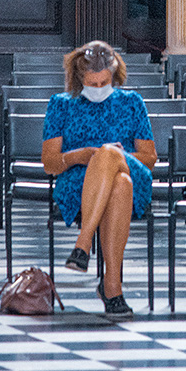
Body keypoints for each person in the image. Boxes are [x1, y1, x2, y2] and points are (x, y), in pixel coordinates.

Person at [40, 41, 156, 321]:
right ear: (80, 80)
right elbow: (50, 163)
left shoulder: (131, 102)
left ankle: (83, 242)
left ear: (114, 76)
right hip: (79, 182)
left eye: (104, 82)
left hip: (130, 167)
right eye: (92, 83)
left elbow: (149, 157)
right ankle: (111, 287)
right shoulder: (61, 105)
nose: (98, 88)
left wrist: (115, 155)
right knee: (120, 185)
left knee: (110, 156)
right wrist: (81, 155)